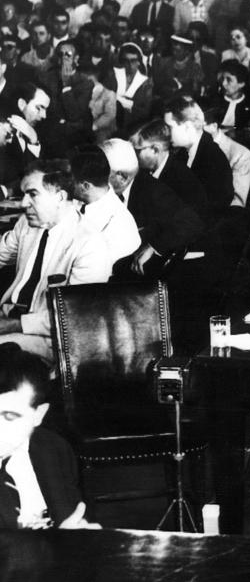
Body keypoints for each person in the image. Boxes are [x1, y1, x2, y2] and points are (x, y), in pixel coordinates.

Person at [0, 160, 110, 361]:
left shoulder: (89, 245)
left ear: (60, 197)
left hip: (52, 340)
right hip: (9, 317)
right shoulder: (27, 224)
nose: (23, 204)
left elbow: (74, 316)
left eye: (32, 194)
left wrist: (14, 324)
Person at [0, 343, 100, 530]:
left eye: (9, 416)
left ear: (38, 415)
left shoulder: (54, 449)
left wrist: (74, 538)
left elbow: (70, 515)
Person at [100, 137, 202, 279]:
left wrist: (154, 246)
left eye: (102, 175)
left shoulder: (153, 192)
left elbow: (191, 223)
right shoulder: (114, 189)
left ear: (122, 177)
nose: (96, 180)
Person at [70, 144, 140, 262]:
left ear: (85, 186)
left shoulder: (121, 229)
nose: (64, 183)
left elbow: (94, 269)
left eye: (69, 180)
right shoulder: (78, 200)